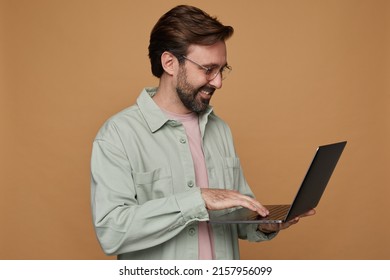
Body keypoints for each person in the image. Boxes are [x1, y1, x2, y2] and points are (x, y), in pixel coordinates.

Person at [90, 4, 315, 260]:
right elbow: (111, 232)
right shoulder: (118, 135)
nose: (218, 82)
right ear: (170, 63)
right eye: (208, 69)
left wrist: (264, 224)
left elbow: (237, 218)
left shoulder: (220, 130)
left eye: (222, 70)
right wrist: (197, 200)